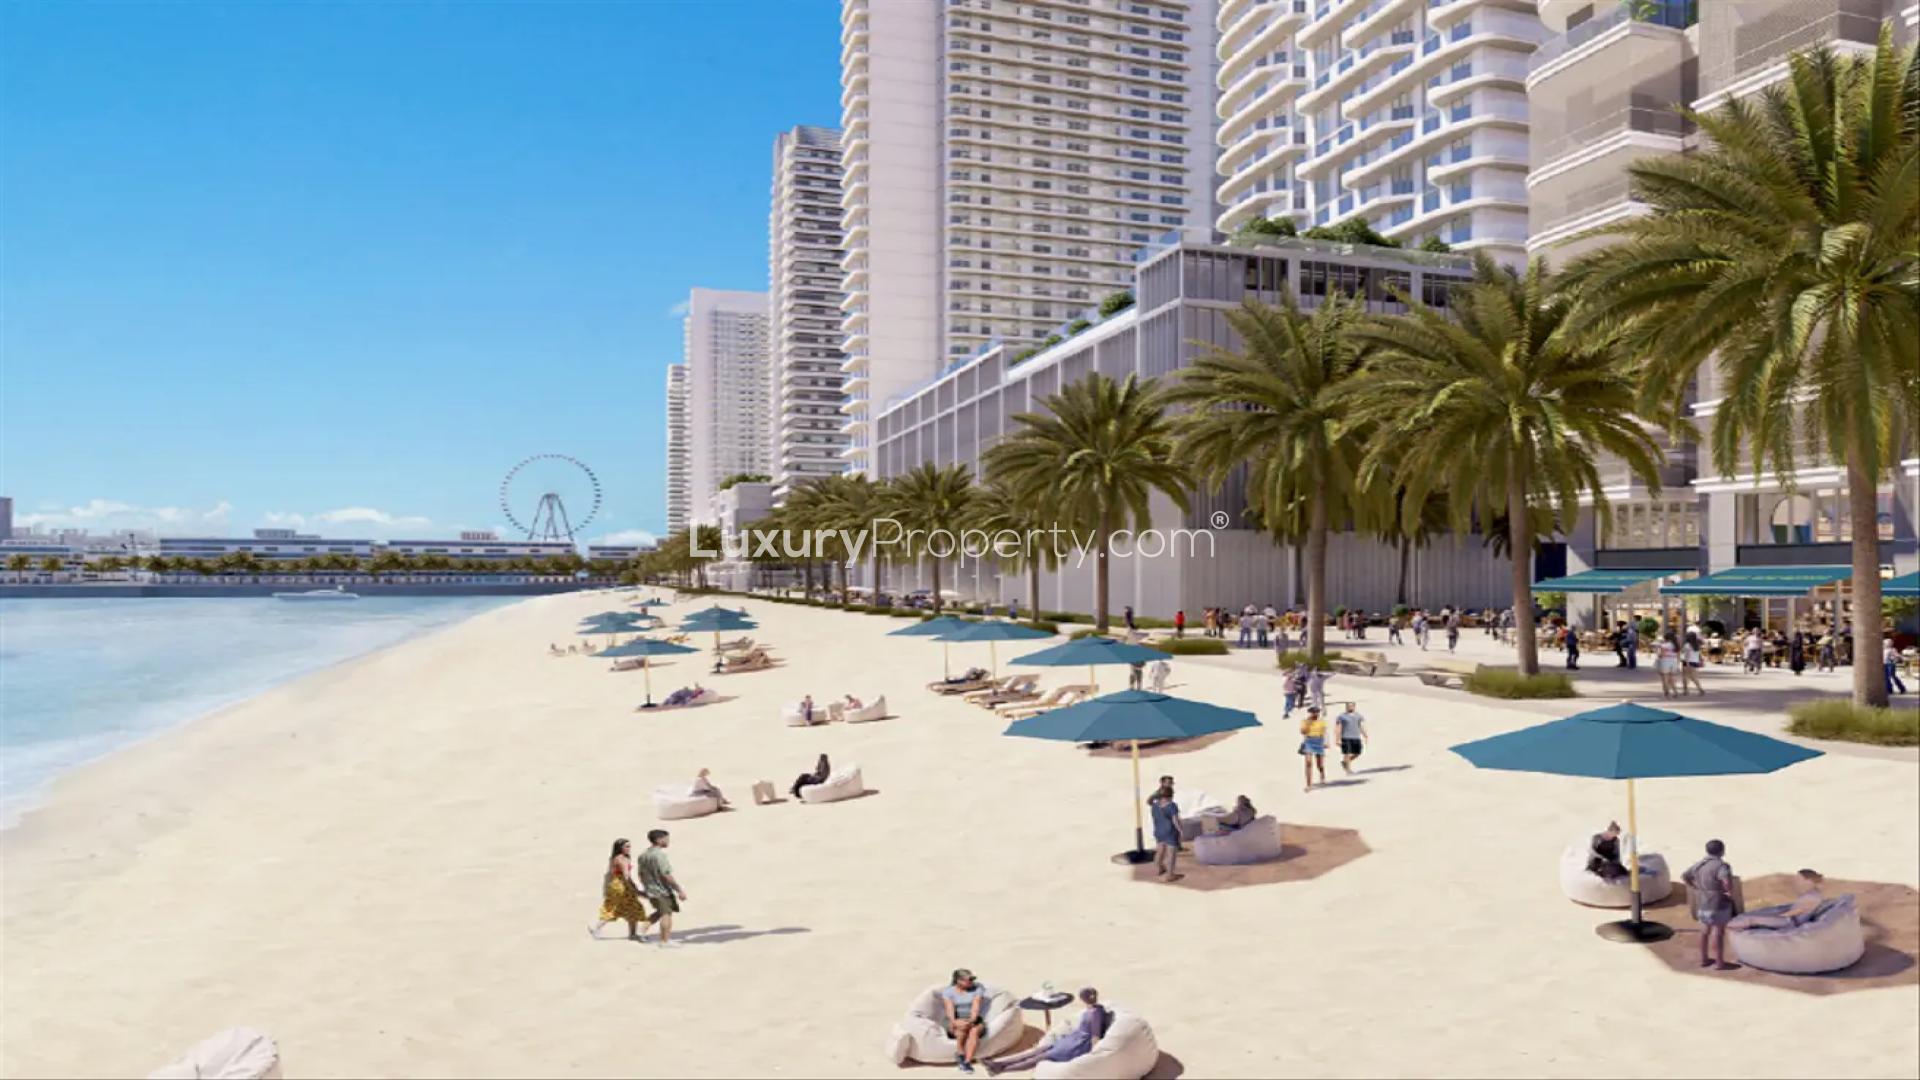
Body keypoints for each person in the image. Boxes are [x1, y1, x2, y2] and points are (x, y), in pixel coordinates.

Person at [984, 988, 1109, 1076]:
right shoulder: (1094, 1009)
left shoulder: (1095, 1013)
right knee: (1036, 1051)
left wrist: (1094, 1053)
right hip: (1072, 1039)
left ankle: (1002, 1069)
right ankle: (997, 1064)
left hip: (1077, 1045)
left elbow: (1095, 1035)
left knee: (1039, 1057)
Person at [1682, 839, 1738, 970]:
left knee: (1704, 931)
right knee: (1718, 933)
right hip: (1718, 902)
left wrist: (1696, 887)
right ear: (1722, 851)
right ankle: (1719, 962)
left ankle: (1704, 959)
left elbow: (1685, 876)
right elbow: (1726, 883)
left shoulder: (1699, 864)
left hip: (1703, 901)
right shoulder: (1722, 866)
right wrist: (1728, 892)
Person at [589, 838, 649, 941]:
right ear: (620, 847)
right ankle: (632, 934)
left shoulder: (615, 858)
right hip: (622, 886)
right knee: (631, 907)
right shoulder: (622, 859)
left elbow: (610, 874)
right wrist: (634, 888)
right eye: (626, 846)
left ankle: (597, 928)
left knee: (617, 907)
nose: (629, 848)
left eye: (629, 846)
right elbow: (626, 876)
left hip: (615, 885)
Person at [636, 828, 687, 948]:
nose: (668, 841)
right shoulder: (659, 855)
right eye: (666, 838)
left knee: (659, 912)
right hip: (661, 890)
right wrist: (679, 890)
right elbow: (666, 875)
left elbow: (640, 874)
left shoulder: (643, 855)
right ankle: (665, 941)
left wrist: (646, 887)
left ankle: (641, 930)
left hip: (651, 889)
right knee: (666, 913)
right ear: (659, 840)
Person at [1730, 869, 1827, 930]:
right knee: (1756, 917)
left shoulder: (1811, 897)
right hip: (1790, 920)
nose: (1796, 883)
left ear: (1808, 881)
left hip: (1790, 922)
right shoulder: (1812, 895)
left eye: (1799, 879)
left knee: (1751, 919)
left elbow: (1796, 912)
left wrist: (1776, 917)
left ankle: (1728, 926)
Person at [940, 969, 991, 1074]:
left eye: (972, 979)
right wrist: (955, 1021)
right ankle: (960, 1053)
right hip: (956, 1019)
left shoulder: (978, 988)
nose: (972, 982)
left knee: (974, 1031)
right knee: (961, 1030)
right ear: (959, 981)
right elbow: (950, 1009)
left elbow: (975, 1006)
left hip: (974, 1019)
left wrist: (971, 1020)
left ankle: (966, 1062)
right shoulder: (948, 992)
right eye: (969, 980)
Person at [1148, 784, 1182, 882]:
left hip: (1159, 832)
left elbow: (1150, 802)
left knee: (1160, 852)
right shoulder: (1172, 806)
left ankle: (1159, 869)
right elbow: (1175, 821)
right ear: (1170, 795)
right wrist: (1180, 830)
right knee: (1171, 854)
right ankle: (1170, 875)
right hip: (1170, 832)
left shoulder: (1154, 805)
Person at [1299, 706, 1328, 792]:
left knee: (1319, 764)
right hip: (1309, 741)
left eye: (1316, 712)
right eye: (1312, 712)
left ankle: (1322, 774)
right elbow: (1303, 732)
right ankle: (1309, 784)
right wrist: (1307, 724)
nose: (1314, 714)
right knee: (1308, 762)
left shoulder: (1322, 722)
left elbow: (1325, 733)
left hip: (1319, 741)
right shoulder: (1305, 721)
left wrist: (1326, 742)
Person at [1334, 701, 1367, 774]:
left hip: (1356, 737)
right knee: (1347, 753)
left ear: (1354, 707)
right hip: (1346, 737)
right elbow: (1338, 728)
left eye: (1352, 706)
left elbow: (1360, 726)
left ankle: (1345, 762)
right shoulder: (1341, 716)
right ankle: (1348, 769)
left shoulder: (1358, 716)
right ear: (1346, 707)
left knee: (1357, 753)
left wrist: (1365, 734)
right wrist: (1337, 739)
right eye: (1348, 706)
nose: (1350, 707)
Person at [1655, 632, 1681, 699]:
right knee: (1672, 679)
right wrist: (1677, 664)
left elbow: (1662, 655)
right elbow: (1678, 656)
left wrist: (1658, 654)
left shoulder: (1664, 645)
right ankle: (1675, 692)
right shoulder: (1676, 646)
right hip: (1674, 662)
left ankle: (1666, 693)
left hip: (1665, 662)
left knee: (1665, 679)